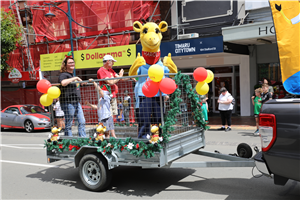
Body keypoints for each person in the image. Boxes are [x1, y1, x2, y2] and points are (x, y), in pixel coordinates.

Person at [59, 56, 86, 137]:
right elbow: (63, 83)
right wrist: (76, 78)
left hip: (76, 102)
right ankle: (69, 142)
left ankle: (83, 140)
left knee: (82, 122)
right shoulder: (63, 74)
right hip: (68, 102)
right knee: (69, 123)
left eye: (73, 62)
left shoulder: (72, 75)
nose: (72, 64)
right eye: (70, 63)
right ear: (65, 65)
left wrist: (81, 80)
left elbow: (83, 83)